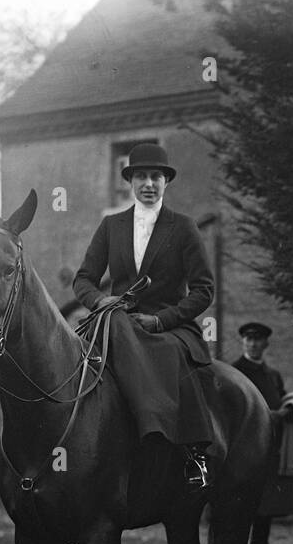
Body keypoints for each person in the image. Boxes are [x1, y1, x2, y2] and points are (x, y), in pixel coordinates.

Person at [73, 142, 216, 486]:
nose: (149, 184)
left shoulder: (183, 227)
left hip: (168, 324)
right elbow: (84, 279)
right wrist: (99, 302)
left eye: (156, 177)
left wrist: (161, 320)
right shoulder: (111, 226)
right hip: (115, 320)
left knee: (169, 355)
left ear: (166, 182)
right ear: (130, 182)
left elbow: (204, 290)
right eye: (141, 177)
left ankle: (190, 452)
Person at [232, 321, 293, 544]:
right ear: (243, 342)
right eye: (249, 339)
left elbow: (281, 398)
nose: (253, 344)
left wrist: (290, 409)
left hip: (270, 445)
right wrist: (274, 415)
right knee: (241, 500)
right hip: (242, 447)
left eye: (258, 339)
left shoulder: (272, 375)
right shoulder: (235, 372)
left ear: (266, 344)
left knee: (266, 498)